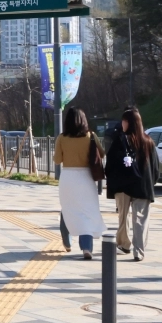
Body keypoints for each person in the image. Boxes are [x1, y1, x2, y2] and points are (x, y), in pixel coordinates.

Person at [105, 108, 158, 261]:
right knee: (140, 219)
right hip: (143, 185)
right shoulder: (148, 142)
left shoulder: (120, 140)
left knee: (123, 216)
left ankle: (124, 243)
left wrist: (112, 181)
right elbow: (154, 167)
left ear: (128, 122)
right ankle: (139, 251)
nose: (122, 123)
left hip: (123, 185)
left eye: (123, 120)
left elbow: (110, 164)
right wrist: (151, 182)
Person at [54, 106, 106, 260]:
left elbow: (57, 160)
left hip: (68, 177)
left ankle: (67, 241)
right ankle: (86, 247)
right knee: (86, 212)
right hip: (86, 177)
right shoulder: (91, 136)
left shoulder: (62, 138)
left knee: (68, 208)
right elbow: (101, 154)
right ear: (84, 120)